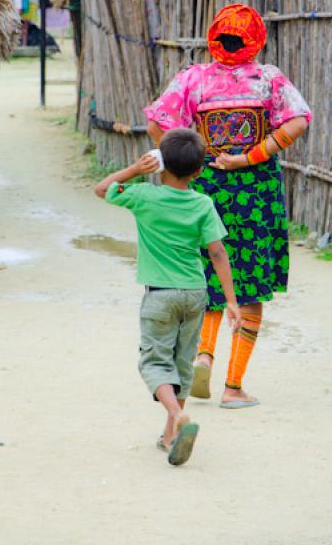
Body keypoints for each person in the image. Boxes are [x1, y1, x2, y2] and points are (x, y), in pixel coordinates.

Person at [145, 3, 312, 409]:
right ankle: (234, 387)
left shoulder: (193, 79)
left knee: (211, 278)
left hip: (208, 194)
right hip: (256, 195)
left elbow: (157, 122)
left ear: (213, 38)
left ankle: (204, 355)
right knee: (250, 286)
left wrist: (193, 160)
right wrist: (251, 156)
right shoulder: (268, 79)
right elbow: (299, 120)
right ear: (257, 41)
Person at [95, 128, 242, 466]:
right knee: (182, 364)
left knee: (154, 362)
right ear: (199, 171)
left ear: (158, 164)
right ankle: (169, 436)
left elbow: (102, 189)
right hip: (195, 294)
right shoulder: (203, 203)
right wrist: (231, 301)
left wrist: (134, 170)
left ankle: (176, 415)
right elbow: (218, 253)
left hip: (160, 296)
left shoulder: (144, 195)